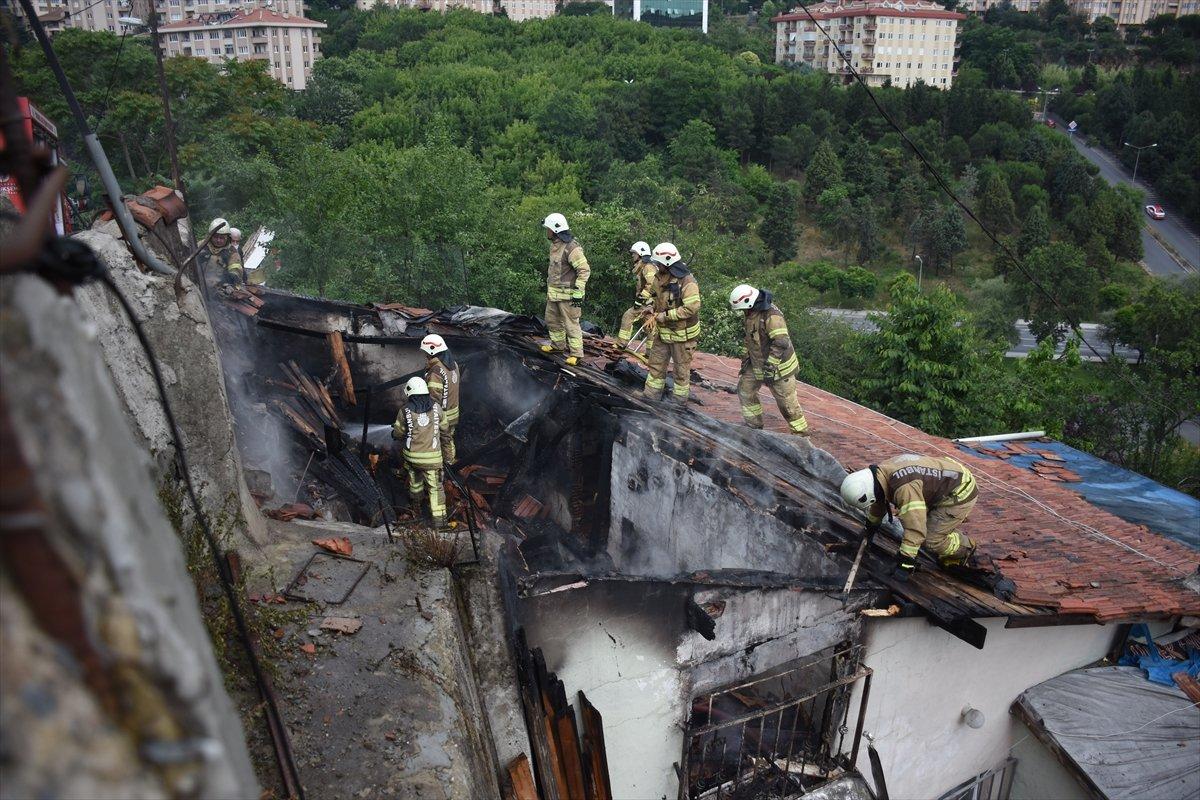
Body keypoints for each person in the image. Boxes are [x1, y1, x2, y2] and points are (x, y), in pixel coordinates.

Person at [839, 455, 979, 581]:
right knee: (929, 525)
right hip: (948, 476)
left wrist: (906, 561)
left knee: (931, 540)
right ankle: (944, 531)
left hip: (961, 490)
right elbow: (879, 501)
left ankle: (965, 547)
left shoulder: (904, 489)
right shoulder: (879, 475)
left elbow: (916, 526)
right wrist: (870, 527)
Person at [728, 284, 809, 436]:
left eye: (742, 308)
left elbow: (781, 342)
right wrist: (745, 360)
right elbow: (750, 339)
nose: (742, 312)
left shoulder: (772, 315)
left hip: (779, 367)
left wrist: (770, 366)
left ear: (748, 302)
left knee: (788, 405)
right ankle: (754, 428)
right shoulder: (751, 313)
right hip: (757, 363)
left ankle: (802, 436)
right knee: (745, 391)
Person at [641, 242, 700, 404]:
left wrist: (665, 316)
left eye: (659, 263)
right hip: (664, 334)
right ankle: (650, 397)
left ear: (667, 262)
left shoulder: (686, 281)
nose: (657, 266)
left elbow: (692, 307)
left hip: (683, 337)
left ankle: (678, 405)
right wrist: (649, 307)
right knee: (656, 365)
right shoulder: (659, 277)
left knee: (681, 372)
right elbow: (652, 295)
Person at [392, 377, 446, 527]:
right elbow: (445, 433)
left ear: (411, 393)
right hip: (433, 460)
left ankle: (417, 509)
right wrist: (448, 457)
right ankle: (440, 524)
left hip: (412, 458)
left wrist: (395, 433)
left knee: (415, 484)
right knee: (436, 489)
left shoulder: (405, 410)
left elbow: (398, 433)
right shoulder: (437, 408)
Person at [539, 212, 590, 366]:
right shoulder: (555, 246)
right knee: (552, 320)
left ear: (555, 230)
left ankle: (576, 354)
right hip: (554, 295)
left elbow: (584, 270)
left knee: (571, 324)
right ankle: (557, 346)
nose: (546, 231)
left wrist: (578, 292)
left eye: (548, 228)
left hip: (570, 296)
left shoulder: (571, 248)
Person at [420, 334, 461, 466]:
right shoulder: (453, 365)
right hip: (453, 413)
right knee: (448, 440)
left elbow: (433, 398)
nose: (426, 356)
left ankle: (444, 469)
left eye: (426, 353)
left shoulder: (436, 371)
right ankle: (450, 464)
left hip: (441, 416)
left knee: (436, 444)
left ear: (432, 351)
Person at [615, 241, 657, 348]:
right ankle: (650, 352)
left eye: (634, 253)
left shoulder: (648, 267)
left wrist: (640, 299)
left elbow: (651, 284)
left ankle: (621, 344)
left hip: (648, 303)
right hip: (649, 303)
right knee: (650, 326)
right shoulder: (643, 266)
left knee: (628, 316)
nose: (632, 256)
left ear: (641, 254)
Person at [201, 217, 243, 285]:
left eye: (222, 238)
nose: (218, 240)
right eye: (215, 237)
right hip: (199, 285)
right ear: (210, 235)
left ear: (227, 238)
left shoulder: (232, 252)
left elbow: (237, 273)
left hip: (220, 288)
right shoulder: (201, 246)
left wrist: (229, 276)